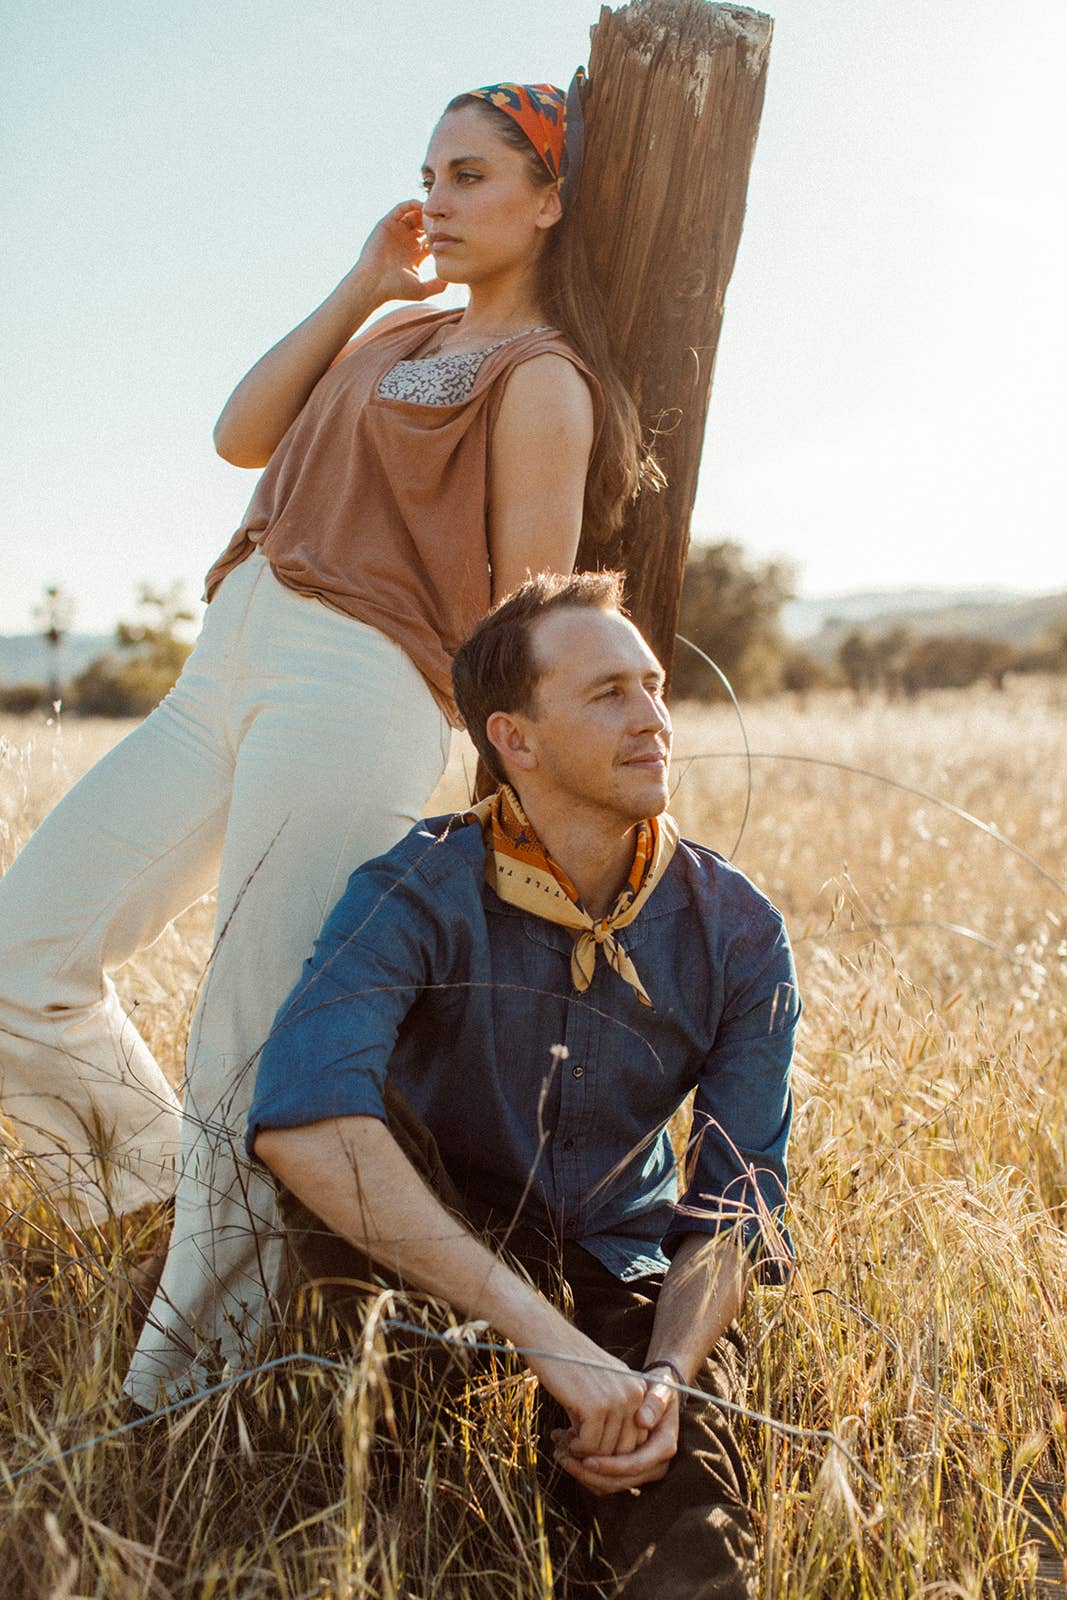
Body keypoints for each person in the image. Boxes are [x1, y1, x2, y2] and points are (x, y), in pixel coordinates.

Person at [0, 79, 649, 1408]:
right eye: (430, 172)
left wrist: (516, 805)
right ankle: (142, 1198)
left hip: (361, 684)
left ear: (549, 199)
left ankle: (176, 1397)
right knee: (21, 959)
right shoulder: (394, 328)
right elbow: (240, 430)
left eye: (472, 174)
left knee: (243, 1042)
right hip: (227, 659)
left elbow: (525, 613)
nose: (439, 196)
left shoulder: (541, 381)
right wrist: (361, 283)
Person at [249, 572, 799, 1599]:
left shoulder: (736, 925)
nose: (653, 720)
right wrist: (545, 1341)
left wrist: (663, 1375)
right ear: (515, 738)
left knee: (692, 1550)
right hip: (432, 1271)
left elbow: (735, 1198)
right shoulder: (414, 889)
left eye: (652, 686)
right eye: (607, 694)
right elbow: (303, 1122)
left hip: (623, 1272)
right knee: (431, 1559)